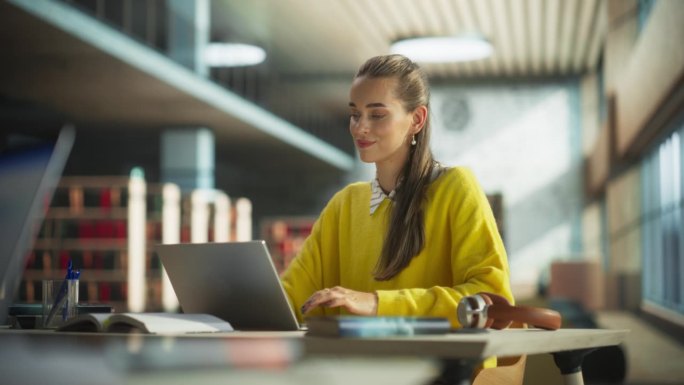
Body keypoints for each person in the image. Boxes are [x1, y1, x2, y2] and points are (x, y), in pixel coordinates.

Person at [280, 54, 513, 328]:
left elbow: (492, 299)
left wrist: (377, 303)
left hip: (440, 367)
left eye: (377, 114)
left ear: (416, 119)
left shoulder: (456, 188)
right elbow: (293, 299)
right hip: (358, 368)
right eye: (355, 114)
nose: (360, 127)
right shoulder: (344, 205)